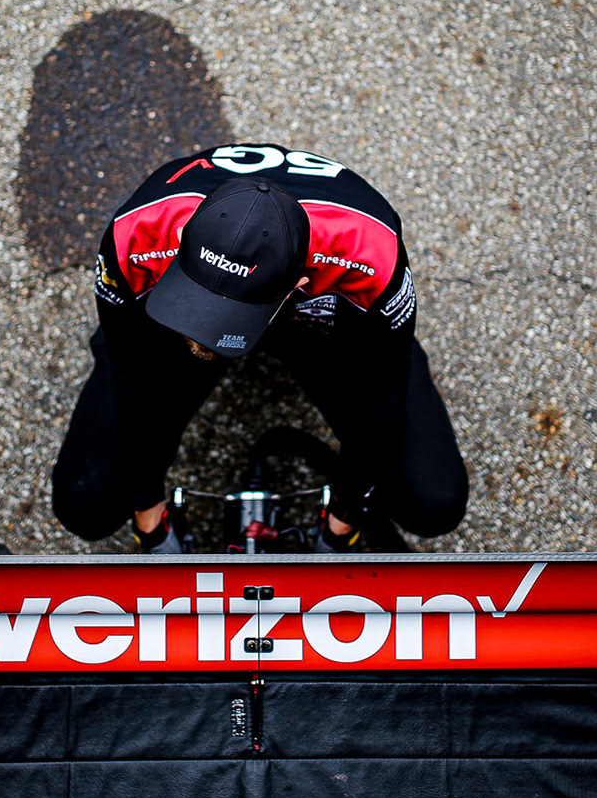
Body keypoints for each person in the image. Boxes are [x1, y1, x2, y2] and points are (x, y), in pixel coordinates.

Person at [51, 143, 468, 553]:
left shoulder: (371, 250)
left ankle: (325, 324)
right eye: (197, 303)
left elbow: (385, 390)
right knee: (86, 505)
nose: (203, 334)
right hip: (181, 321)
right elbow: (129, 373)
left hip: (325, 327)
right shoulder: (138, 231)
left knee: (433, 504)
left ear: (299, 287)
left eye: (222, 318)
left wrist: (345, 514)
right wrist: (147, 506)